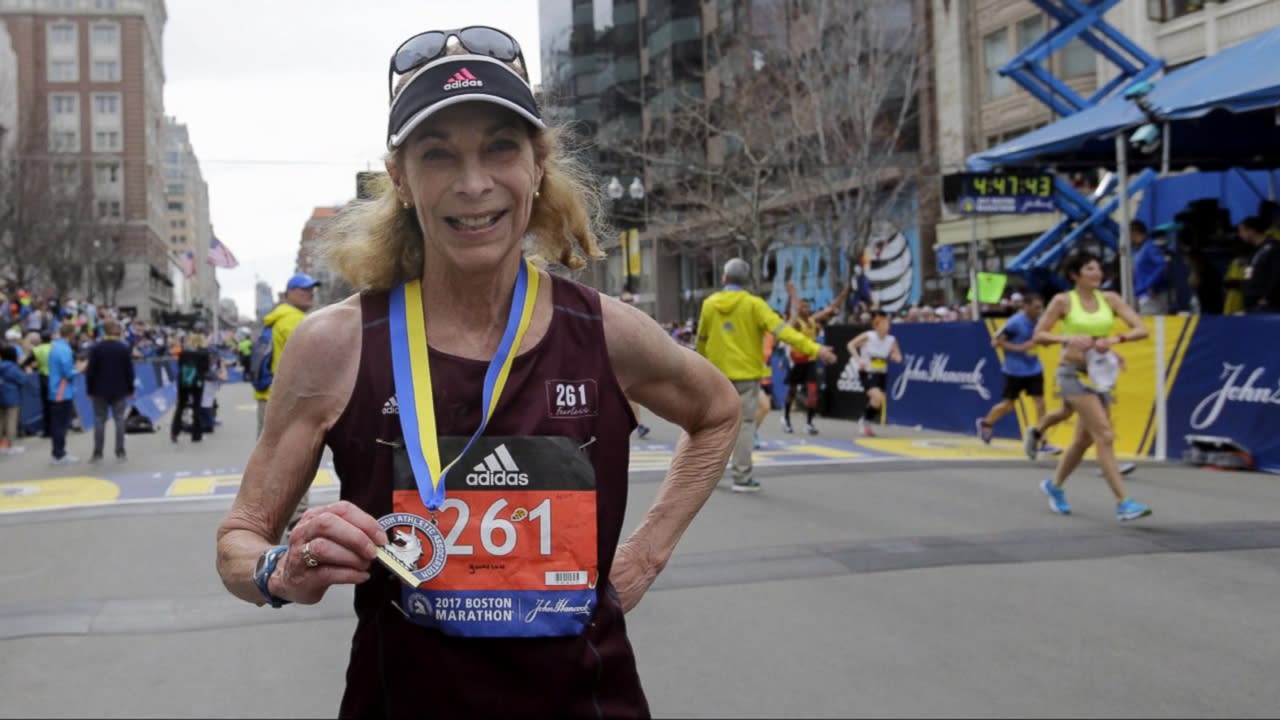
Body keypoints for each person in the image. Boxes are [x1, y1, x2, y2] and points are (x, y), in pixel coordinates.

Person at [215, 28, 740, 718]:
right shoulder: (336, 345)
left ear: (539, 164)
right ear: (400, 179)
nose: (473, 183)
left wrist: (646, 553)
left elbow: (718, 413)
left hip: (588, 701)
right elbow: (238, 542)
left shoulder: (604, 331)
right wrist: (278, 571)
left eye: (500, 147)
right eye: (439, 154)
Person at [697, 258, 836, 493]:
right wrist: (817, 349)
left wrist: (700, 368)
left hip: (716, 376)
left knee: (713, 425)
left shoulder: (710, 304)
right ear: (747, 281)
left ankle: (707, 474)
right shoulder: (754, 305)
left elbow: (701, 339)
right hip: (746, 376)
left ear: (724, 278)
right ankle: (742, 477)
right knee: (744, 425)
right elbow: (784, 332)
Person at [1033, 250, 1152, 521]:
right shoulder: (1063, 301)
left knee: (1083, 440)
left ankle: (1055, 486)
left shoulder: (1109, 299)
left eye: (1098, 268)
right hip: (1072, 374)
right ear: (1075, 275)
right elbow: (1039, 334)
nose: (1097, 273)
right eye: (1089, 269)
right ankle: (1124, 502)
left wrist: (1115, 340)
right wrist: (1068, 340)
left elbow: (1140, 328)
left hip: (1100, 375)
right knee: (1105, 435)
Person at [977, 293, 1056, 449]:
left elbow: (1040, 341)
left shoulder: (1040, 322)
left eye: (1041, 308)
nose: (1039, 311)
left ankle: (1043, 440)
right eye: (1036, 308)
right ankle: (986, 423)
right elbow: (995, 342)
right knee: (1008, 406)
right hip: (1014, 370)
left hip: (1034, 368)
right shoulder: (1014, 323)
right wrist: (1019, 348)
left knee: (1040, 404)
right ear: (1025, 306)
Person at [255, 272, 321, 436]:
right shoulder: (293, 319)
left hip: (270, 393)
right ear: (288, 294)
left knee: (267, 449)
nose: (310, 292)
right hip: (286, 399)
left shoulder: (278, 317)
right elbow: (313, 360)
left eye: (312, 289)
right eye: (304, 289)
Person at [781, 281, 846, 436]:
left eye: (808, 307)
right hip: (797, 362)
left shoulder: (812, 321)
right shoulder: (796, 323)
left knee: (812, 393)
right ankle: (786, 418)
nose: (806, 309)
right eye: (803, 307)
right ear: (799, 308)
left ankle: (809, 423)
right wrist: (793, 295)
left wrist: (844, 293)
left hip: (810, 362)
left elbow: (830, 309)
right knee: (792, 391)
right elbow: (788, 318)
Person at [84, 320, 134, 462]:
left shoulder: (96, 348)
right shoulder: (123, 348)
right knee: (119, 420)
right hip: (119, 389)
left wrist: (89, 390)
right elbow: (129, 371)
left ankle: (97, 453)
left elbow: (90, 371)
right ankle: (120, 451)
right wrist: (130, 388)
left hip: (99, 390)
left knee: (99, 420)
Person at [847, 311, 902, 437]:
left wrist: (895, 357)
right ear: (876, 326)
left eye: (887, 324)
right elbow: (850, 345)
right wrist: (858, 359)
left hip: (882, 374)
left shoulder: (891, 340)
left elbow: (898, 355)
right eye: (883, 324)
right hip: (867, 372)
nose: (886, 327)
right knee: (877, 396)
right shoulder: (869, 336)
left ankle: (865, 420)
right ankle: (863, 421)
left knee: (878, 401)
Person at [47, 323, 82, 464]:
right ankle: (59, 454)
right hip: (61, 391)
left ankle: (58, 453)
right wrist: (80, 369)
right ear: (71, 334)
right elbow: (67, 373)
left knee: (58, 424)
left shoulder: (55, 346)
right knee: (61, 425)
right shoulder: (64, 349)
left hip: (56, 389)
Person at [172, 332, 211, 443]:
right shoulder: (204, 353)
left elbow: (180, 365)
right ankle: (196, 435)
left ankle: (175, 432)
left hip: (183, 381)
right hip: (198, 382)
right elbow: (206, 368)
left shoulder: (184, 352)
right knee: (196, 407)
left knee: (180, 405)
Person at [1240, 215, 1280, 314]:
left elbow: (1277, 275)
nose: (1240, 234)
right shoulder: (1254, 251)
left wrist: (1267, 297)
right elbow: (1249, 274)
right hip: (1251, 303)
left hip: (1267, 306)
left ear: (1251, 231)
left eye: (1241, 230)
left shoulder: (1273, 248)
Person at [1131, 220, 1168, 315]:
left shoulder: (1150, 248)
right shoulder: (1139, 249)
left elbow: (1161, 265)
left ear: (1134, 233)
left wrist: (1150, 284)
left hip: (1151, 296)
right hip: (1143, 294)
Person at [0, 343, 27, 455]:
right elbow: (22, 380)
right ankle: (10, 445)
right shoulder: (13, 368)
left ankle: (1, 445)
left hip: (0, 397)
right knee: (11, 421)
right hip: (12, 397)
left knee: (1, 421)